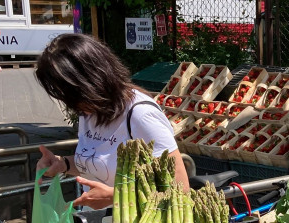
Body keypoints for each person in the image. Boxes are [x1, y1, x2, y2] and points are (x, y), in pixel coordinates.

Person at [34, 34, 189, 209]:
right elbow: (99, 164)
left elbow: (180, 190)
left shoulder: (140, 115)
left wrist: (115, 196)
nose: (69, 103)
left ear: (91, 82)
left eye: (70, 94)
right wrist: (63, 164)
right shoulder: (90, 112)